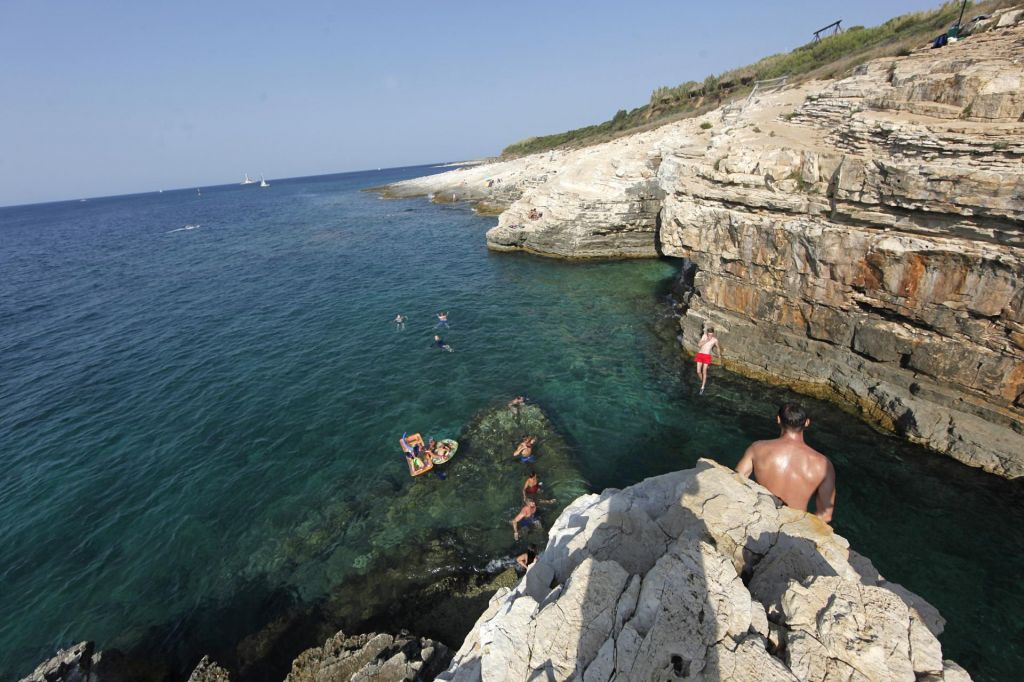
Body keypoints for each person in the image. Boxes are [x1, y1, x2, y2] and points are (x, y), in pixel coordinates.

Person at [735, 403, 836, 523]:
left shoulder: (757, 448)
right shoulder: (823, 464)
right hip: (793, 525)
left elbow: (735, 482)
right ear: (807, 422)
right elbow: (825, 515)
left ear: (778, 419)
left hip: (759, 517)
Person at [694, 326, 720, 395]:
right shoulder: (704, 336)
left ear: (713, 334)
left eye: (711, 335)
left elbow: (717, 347)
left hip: (706, 356)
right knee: (698, 371)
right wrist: (706, 340)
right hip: (700, 354)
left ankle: (702, 387)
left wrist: (718, 355)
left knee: (704, 371)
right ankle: (703, 381)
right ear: (707, 333)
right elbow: (699, 345)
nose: (710, 336)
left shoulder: (715, 340)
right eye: (709, 334)